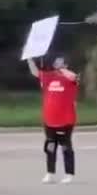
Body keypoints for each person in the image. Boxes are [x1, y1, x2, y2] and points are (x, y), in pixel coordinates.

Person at [29, 55, 78, 184]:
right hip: (49, 119)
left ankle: (69, 174)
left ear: (66, 65)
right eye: (56, 62)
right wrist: (29, 59)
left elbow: (73, 77)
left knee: (66, 147)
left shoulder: (69, 79)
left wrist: (62, 70)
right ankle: (50, 173)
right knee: (50, 147)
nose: (57, 64)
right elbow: (35, 72)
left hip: (66, 120)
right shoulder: (49, 77)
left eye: (61, 63)